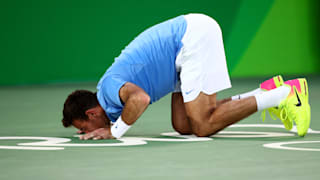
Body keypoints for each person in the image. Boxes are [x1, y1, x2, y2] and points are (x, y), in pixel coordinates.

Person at [62, 13, 310, 140]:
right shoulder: (107, 96)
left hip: (189, 39)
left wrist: (114, 132)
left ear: (92, 114)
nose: (86, 133)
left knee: (202, 125)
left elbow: (140, 99)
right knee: (184, 126)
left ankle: (284, 94)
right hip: (180, 56)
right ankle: (265, 92)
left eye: (83, 128)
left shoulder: (108, 91)